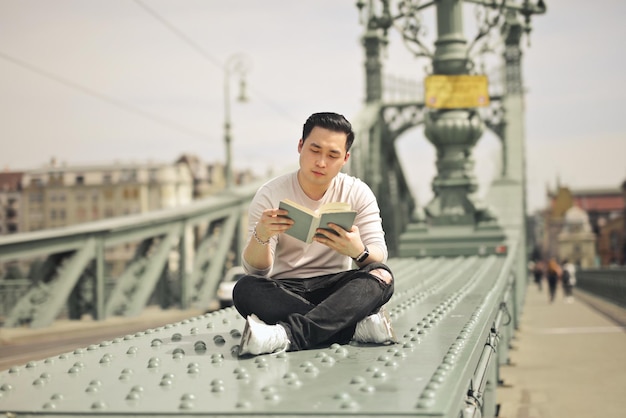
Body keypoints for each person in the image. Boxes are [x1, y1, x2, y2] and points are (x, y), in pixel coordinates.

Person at [232, 112, 396, 356]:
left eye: (332, 155)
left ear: (345, 159)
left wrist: (357, 251)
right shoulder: (270, 194)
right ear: (300, 146)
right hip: (285, 289)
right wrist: (262, 235)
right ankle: (350, 328)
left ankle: (286, 335)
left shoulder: (357, 192)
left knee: (382, 275)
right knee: (245, 288)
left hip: (337, 286)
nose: (321, 162)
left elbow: (378, 253)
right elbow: (257, 271)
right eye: (314, 150)